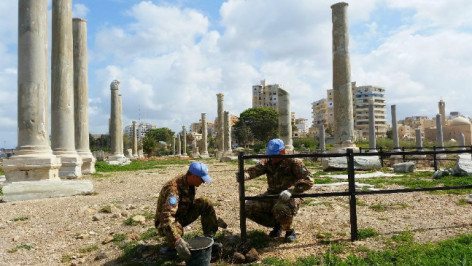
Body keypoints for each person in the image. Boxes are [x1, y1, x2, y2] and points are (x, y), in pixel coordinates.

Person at [241, 138, 313, 242]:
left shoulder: (294, 161)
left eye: (274, 156)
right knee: (247, 207)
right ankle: (278, 225)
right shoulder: (268, 160)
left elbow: (309, 180)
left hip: (290, 196)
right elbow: (256, 169)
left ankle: (289, 230)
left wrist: (293, 190)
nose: (272, 158)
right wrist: (246, 175)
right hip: (272, 194)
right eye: (270, 155)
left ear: (283, 152)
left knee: (280, 208)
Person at [155, 161, 226, 260]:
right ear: (194, 176)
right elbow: (167, 217)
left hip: (181, 215)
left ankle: (210, 238)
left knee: (205, 203)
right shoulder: (173, 190)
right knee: (177, 239)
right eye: (202, 179)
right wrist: (177, 240)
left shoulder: (189, 183)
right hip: (166, 224)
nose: (203, 182)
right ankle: (171, 249)